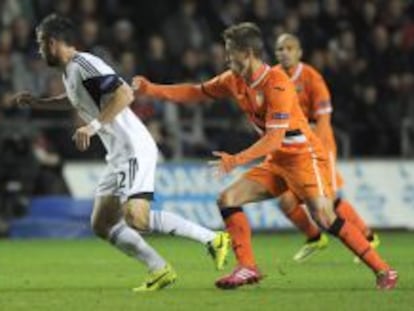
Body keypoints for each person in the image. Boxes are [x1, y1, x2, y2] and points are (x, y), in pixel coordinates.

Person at [132, 22, 397, 290]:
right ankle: (247, 267)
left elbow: (273, 139)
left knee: (324, 217)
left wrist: (236, 159)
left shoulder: (277, 84)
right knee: (228, 199)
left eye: (230, 52)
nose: (226, 57)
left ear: (247, 53)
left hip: (304, 158)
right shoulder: (232, 80)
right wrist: (150, 89)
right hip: (277, 161)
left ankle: (384, 271)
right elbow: (196, 91)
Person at [11, 14, 230, 292]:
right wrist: (39, 103)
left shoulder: (86, 64)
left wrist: (93, 125)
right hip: (117, 154)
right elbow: (75, 100)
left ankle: (213, 239)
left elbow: (125, 93)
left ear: (53, 42)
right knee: (101, 223)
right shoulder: (70, 72)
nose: (40, 50)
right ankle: (159, 269)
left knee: (136, 218)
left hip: (133, 148)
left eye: (41, 44)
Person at [274, 33, 380, 263]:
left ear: (299, 52)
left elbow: (323, 118)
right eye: (280, 49)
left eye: (289, 48)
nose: (284, 52)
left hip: (318, 148)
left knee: (328, 202)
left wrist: (311, 142)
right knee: (285, 200)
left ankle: (368, 237)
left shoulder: (312, 78)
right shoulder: (273, 78)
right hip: (289, 152)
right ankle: (314, 238)